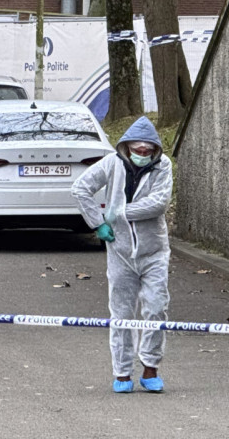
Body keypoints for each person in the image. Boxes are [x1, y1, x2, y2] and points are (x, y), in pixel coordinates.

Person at [72, 116, 173, 394]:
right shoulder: (112, 164)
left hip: (154, 251)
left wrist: (120, 212)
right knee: (121, 312)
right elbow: (80, 188)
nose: (143, 154)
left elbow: (159, 203)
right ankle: (122, 372)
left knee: (156, 307)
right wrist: (97, 222)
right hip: (120, 250)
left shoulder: (163, 166)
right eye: (138, 150)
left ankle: (150, 367)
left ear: (155, 150)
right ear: (127, 147)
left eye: (148, 151)